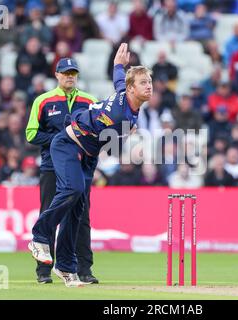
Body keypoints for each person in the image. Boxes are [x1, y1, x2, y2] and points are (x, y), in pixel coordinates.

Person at [29, 43, 152, 287]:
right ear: (132, 89)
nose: (149, 86)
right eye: (143, 83)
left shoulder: (125, 95)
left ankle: (65, 267)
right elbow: (110, 144)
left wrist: (119, 65)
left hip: (86, 154)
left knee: (78, 209)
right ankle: (39, 236)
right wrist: (126, 134)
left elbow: (119, 80)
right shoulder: (120, 116)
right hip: (67, 144)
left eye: (150, 82)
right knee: (72, 191)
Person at [25, 57, 99, 285]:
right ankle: (44, 271)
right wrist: (62, 139)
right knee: (50, 211)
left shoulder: (90, 101)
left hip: (80, 166)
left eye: (73, 73)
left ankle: (84, 269)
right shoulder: (43, 100)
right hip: (50, 166)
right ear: (57, 75)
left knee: (81, 216)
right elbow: (31, 134)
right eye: (66, 72)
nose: (70, 76)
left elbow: (98, 132)